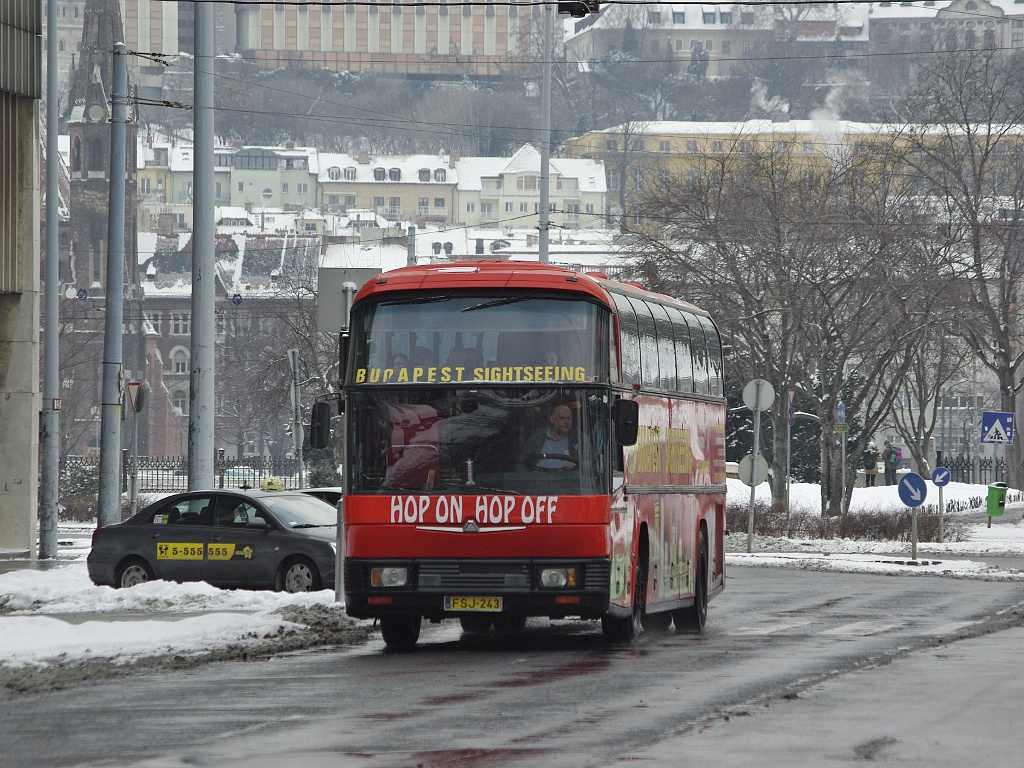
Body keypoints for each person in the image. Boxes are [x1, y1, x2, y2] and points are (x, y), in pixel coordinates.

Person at [523, 404, 578, 470]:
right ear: (552, 419)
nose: (566, 422)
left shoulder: (579, 439)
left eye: (569, 418)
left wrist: (577, 466)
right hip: (539, 478)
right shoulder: (537, 438)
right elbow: (522, 463)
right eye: (562, 418)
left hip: (568, 478)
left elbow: (589, 464)